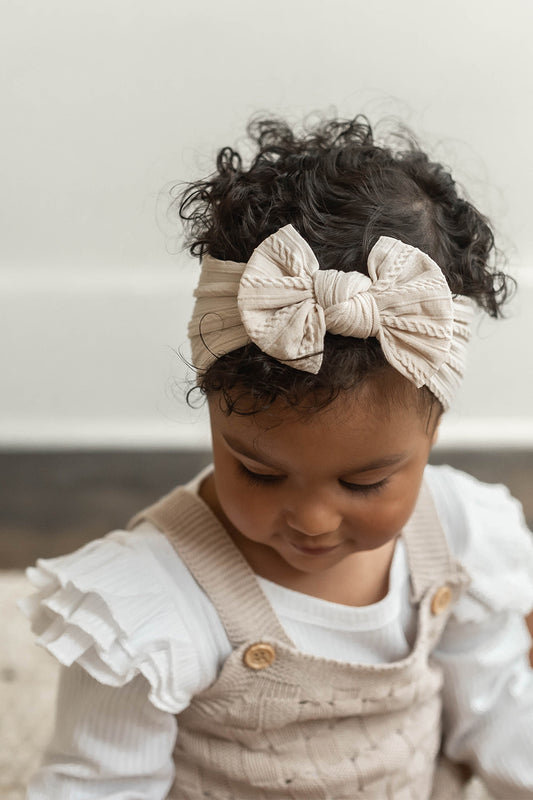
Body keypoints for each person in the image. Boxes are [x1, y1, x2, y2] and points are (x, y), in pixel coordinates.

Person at [20, 116, 533, 799]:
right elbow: (98, 785)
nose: (313, 520)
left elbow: (496, 712)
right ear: (212, 409)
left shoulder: (457, 534)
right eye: (259, 472)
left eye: (365, 482)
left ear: (432, 431)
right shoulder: (156, 598)